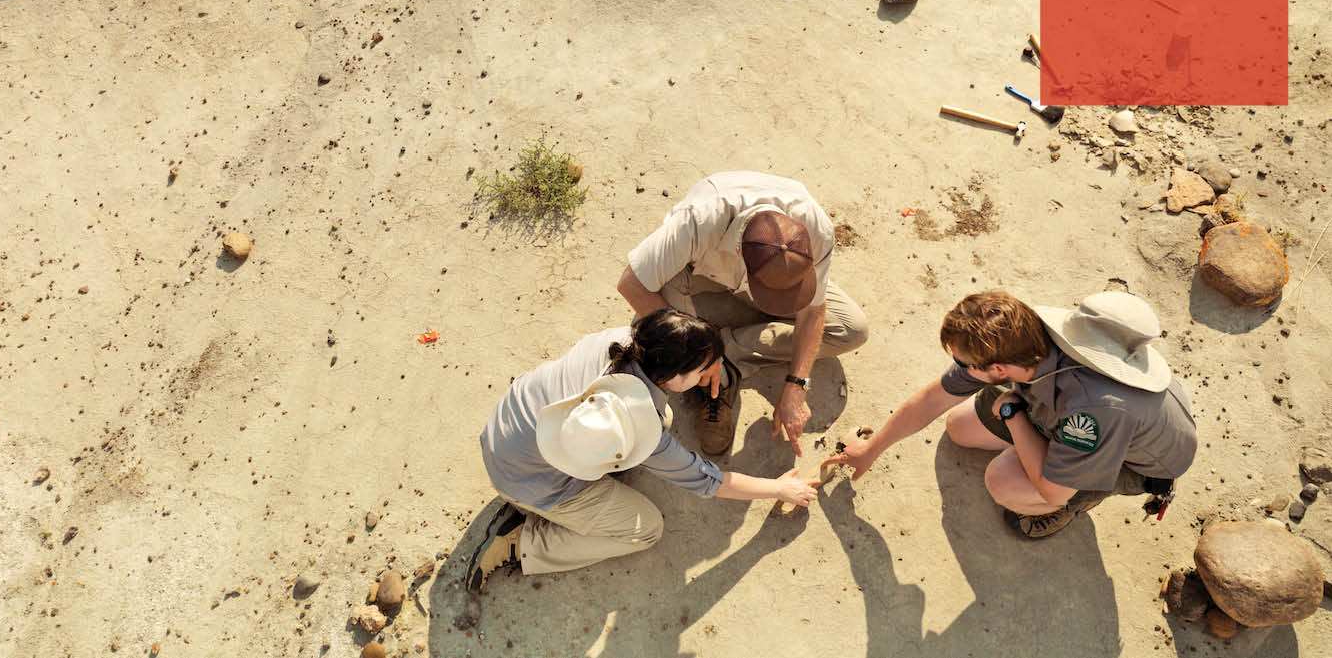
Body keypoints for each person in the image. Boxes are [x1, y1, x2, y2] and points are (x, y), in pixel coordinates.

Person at [468, 308, 821, 591]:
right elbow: (709, 481)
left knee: (661, 418)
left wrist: (705, 358)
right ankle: (519, 542)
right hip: (526, 480)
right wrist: (780, 488)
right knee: (645, 529)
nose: (708, 375)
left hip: (506, 429)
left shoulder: (622, 338)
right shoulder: (642, 430)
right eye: (702, 371)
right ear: (672, 378)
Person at [823, 290, 1196, 538]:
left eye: (962, 363)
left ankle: (1083, 499)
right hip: (1065, 408)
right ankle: (1043, 445)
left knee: (1005, 482)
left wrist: (1014, 416)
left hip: (1133, 461)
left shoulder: (1095, 410)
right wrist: (873, 449)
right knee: (959, 427)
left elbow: (1051, 486)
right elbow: (935, 399)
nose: (958, 368)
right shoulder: (1029, 334)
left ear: (998, 369)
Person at [617, 171, 868, 456]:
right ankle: (713, 374)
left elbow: (813, 312)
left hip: (749, 276)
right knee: (662, 328)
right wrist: (700, 353)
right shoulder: (699, 220)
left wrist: (797, 384)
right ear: (738, 252)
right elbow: (631, 283)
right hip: (697, 273)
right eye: (774, 294)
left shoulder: (816, 229)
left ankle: (730, 359)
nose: (783, 303)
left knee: (852, 330)